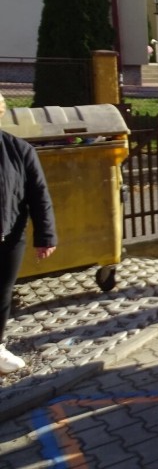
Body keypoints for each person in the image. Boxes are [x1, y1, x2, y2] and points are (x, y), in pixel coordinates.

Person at [0, 91, 57, 374]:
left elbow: (39, 195)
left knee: (2, 294)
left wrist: (45, 236)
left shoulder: (19, 150)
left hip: (9, 237)